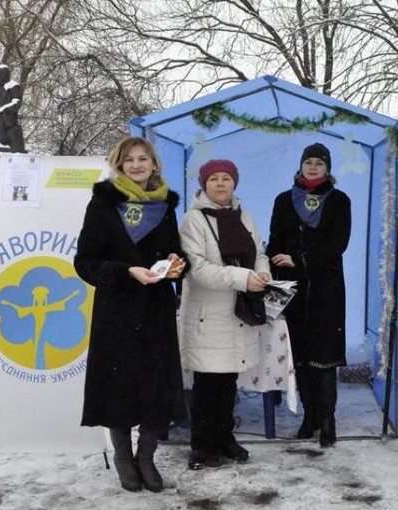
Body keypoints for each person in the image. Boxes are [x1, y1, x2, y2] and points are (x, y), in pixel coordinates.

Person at [74, 137, 187, 493]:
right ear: (119, 165)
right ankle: (124, 457)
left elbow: (175, 251)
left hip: (155, 310)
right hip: (117, 311)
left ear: (155, 164)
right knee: (118, 386)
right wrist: (126, 271)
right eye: (129, 160)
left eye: (143, 159)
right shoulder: (103, 204)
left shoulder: (166, 207)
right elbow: (85, 262)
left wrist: (176, 264)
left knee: (156, 386)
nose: (136, 165)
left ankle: (147, 456)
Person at [178, 159, 271, 469]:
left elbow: (259, 252)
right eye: (214, 179)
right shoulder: (193, 220)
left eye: (226, 179)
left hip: (237, 313)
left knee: (229, 380)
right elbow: (198, 270)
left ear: (235, 183)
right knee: (206, 384)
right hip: (208, 314)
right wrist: (243, 278)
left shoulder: (243, 216)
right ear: (204, 185)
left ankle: (225, 439)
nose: (220, 184)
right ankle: (201, 445)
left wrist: (262, 274)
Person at [266, 142, 351, 447]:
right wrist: (272, 271)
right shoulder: (284, 200)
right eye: (309, 162)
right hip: (291, 290)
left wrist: (300, 260)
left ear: (328, 168)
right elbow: (275, 240)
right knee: (300, 356)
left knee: (323, 357)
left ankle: (328, 420)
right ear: (300, 166)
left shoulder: (339, 201)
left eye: (320, 162)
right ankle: (309, 415)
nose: (313, 167)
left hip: (326, 289)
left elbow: (337, 244)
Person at [0, 64, 26, 152]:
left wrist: (2, 110)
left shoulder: (14, 86)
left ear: (7, 74)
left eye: (1, 74)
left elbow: (16, 103)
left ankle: (0, 143)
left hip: (9, 116)